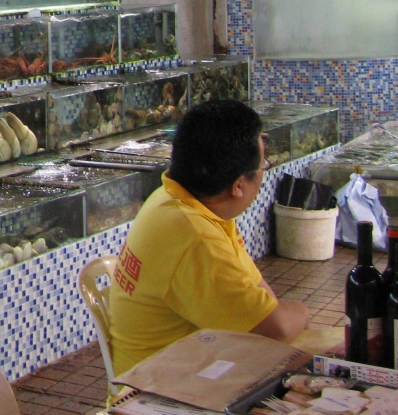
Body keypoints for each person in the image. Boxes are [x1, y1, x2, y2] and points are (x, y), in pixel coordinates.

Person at [107, 100, 309, 375]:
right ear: (238, 185)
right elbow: (278, 330)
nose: (264, 170)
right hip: (161, 393)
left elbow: (259, 295)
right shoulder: (196, 238)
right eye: (263, 164)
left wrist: (273, 314)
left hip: (181, 371)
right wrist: (301, 312)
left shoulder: (177, 199)